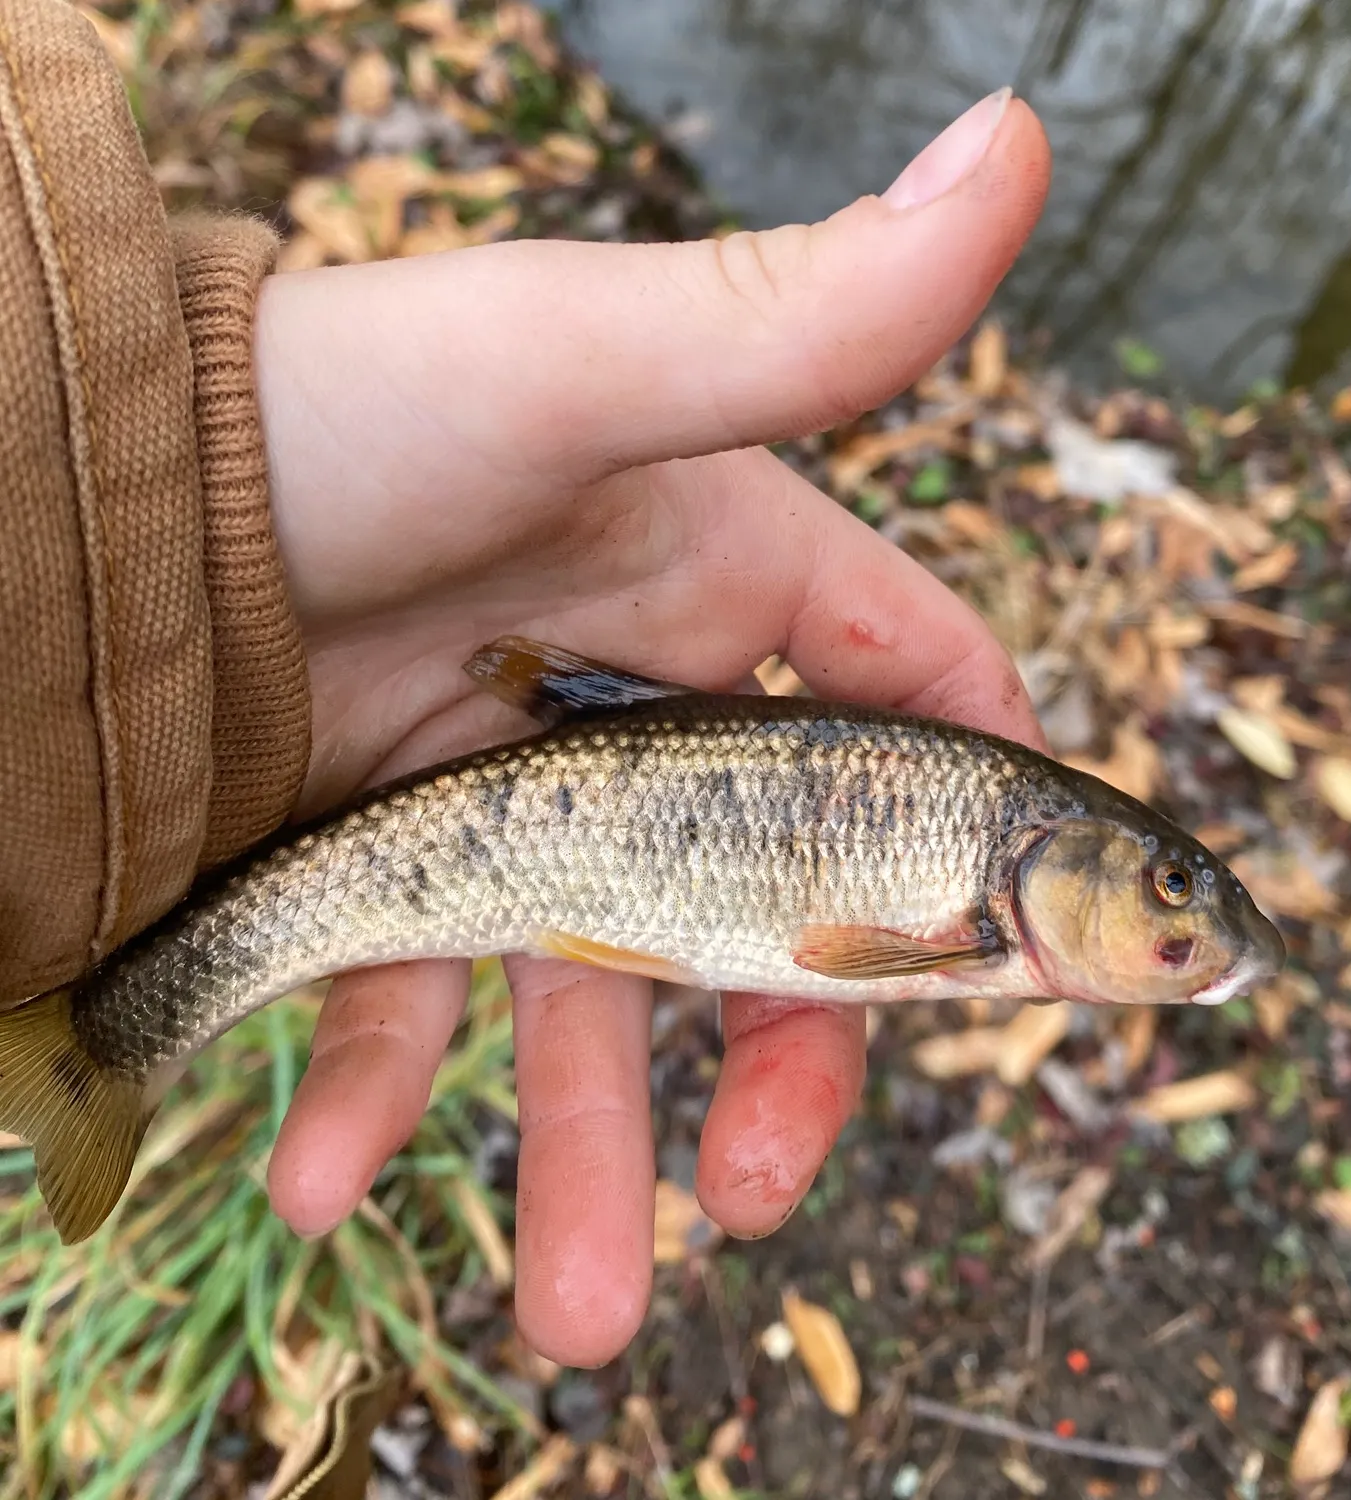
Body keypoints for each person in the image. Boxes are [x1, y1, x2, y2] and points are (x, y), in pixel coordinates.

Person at [0, 0, 1051, 1367]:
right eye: (1164, 887)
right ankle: (109, 1037)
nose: (1185, 923)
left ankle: (106, 1035)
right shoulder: (976, 891)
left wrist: (181, 475)